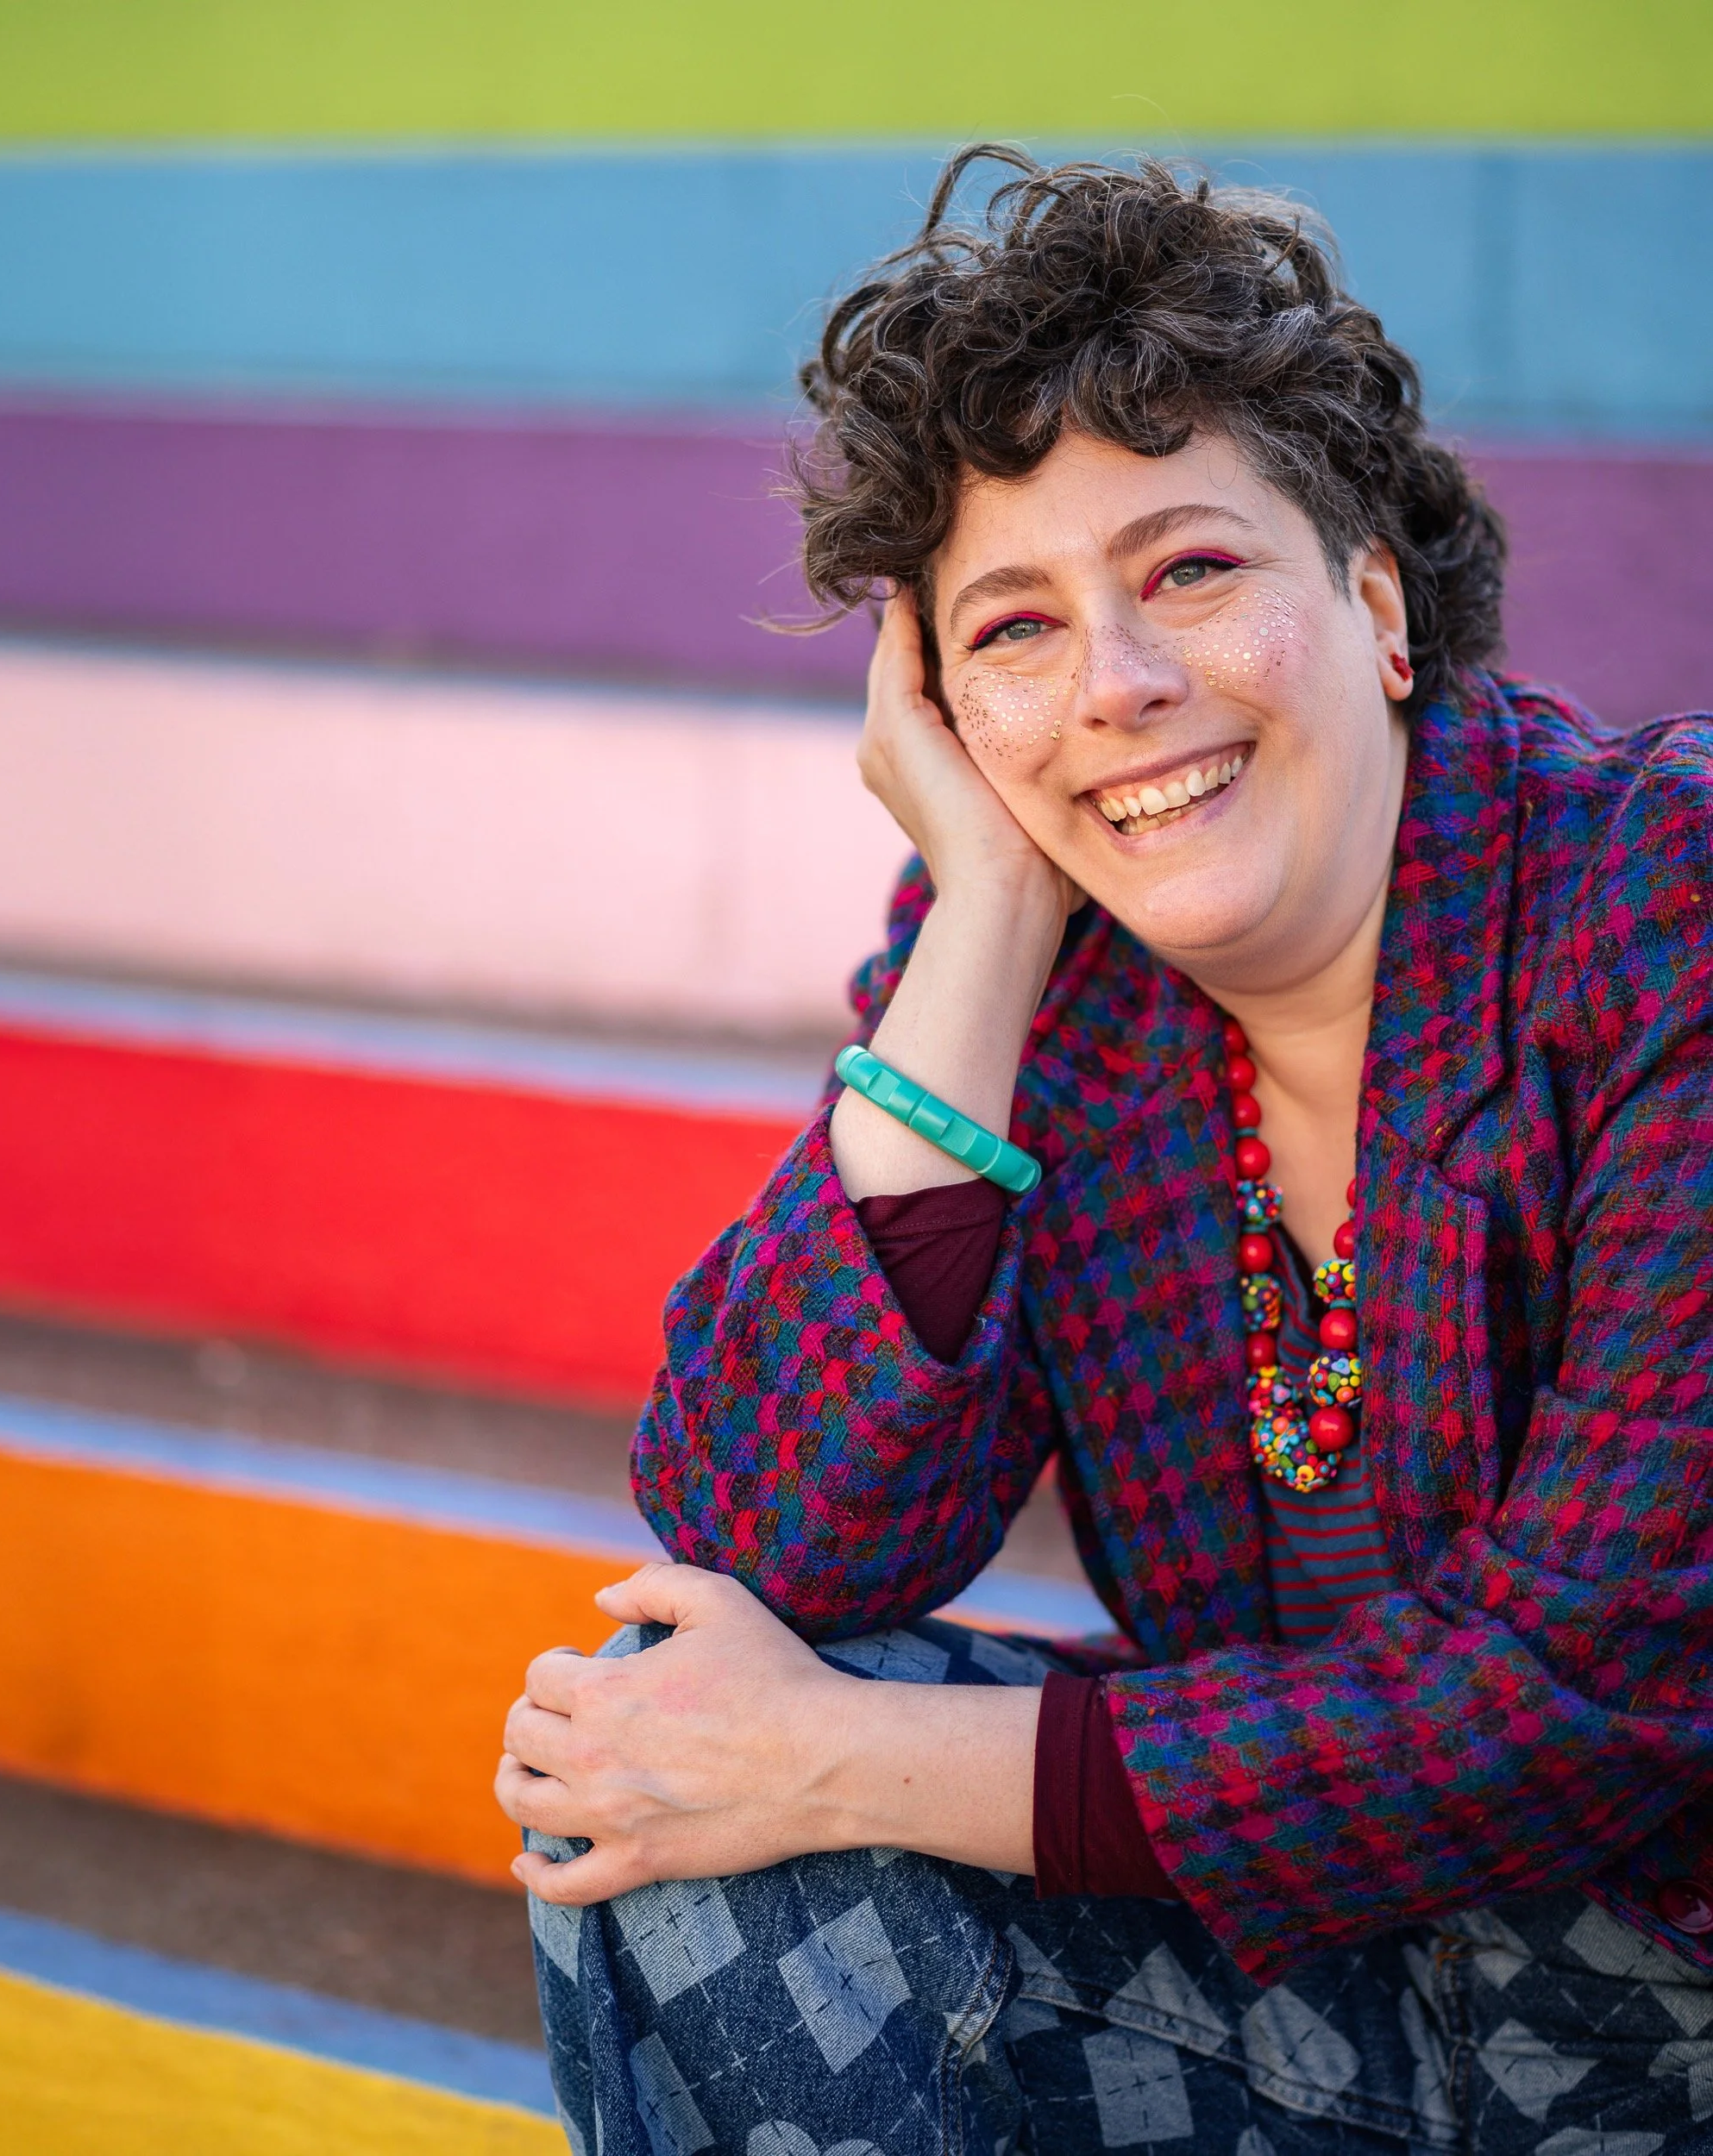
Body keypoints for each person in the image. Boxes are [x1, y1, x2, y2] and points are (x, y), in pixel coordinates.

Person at [494, 147, 1713, 2154]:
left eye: (1189, 570)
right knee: (670, 1765)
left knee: (782, 1766)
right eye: (1014, 628)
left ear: (1375, 601)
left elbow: (1582, 1696)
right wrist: (978, 911)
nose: (1117, 689)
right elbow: (759, 1542)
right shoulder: (1049, 974)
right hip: (1349, 1986)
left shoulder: (1657, 902)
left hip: (1664, 2010)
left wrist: (854, 1759)